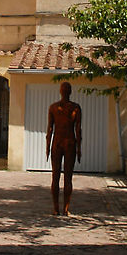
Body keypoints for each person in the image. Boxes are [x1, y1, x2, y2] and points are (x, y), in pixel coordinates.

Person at [46, 82, 82, 216]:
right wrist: (79, 148)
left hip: (58, 143)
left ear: (60, 91)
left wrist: (48, 146)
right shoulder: (75, 108)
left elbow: (50, 129)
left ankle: (57, 208)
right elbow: (78, 130)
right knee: (67, 177)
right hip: (69, 143)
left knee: (56, 176)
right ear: (70, 92)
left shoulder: (54, 107)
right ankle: (64, 209)